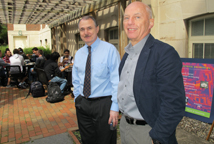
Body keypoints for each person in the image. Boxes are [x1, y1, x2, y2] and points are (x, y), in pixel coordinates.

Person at [118, 2, 186, 144]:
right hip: (125, 127)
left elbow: (174, 103)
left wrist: (157, 137)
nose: (130, 22)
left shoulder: (164, 53)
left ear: (150, 23)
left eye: (137, 17)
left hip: (147, 133)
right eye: (126, 17)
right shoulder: (127, 55)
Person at [72, 15, 120, 144]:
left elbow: (117, 80)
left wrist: (115, 107)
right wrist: (78, 99)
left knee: (106, 140)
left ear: (97, 29)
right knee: (87, 140)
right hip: (83, 104)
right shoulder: (79, 53)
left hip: (104, 105)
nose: (86, 32)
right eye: (82, 29)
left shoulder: (110, 50)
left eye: (89, 28)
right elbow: (76, 79)